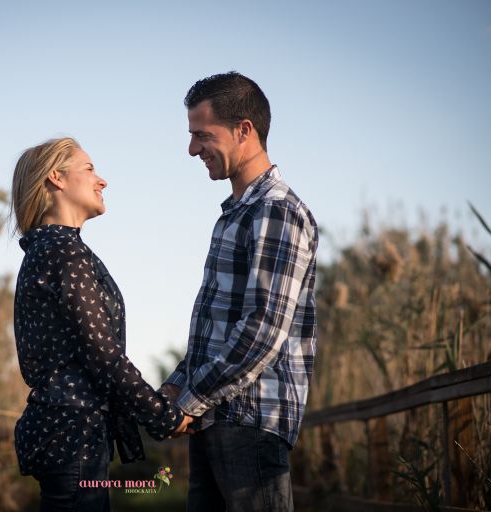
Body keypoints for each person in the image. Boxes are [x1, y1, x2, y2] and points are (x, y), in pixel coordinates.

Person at [160, 72, 319, 512]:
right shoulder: (236, 214)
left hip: (249, 421)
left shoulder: (275, 211)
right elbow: (220, 326)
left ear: (244, 130)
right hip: (217, 417)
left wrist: (191, 398)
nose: (193, 149)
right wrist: (176, 387)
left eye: (202, 136)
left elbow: (264, 328)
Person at [11, 137, 194, 512]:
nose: (102, 180)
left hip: (61, 431)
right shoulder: (64, 253)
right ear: (56, 178)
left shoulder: (47, 250)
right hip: (73, 433)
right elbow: (104, 356)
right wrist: (164, 415)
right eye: (90, 169)